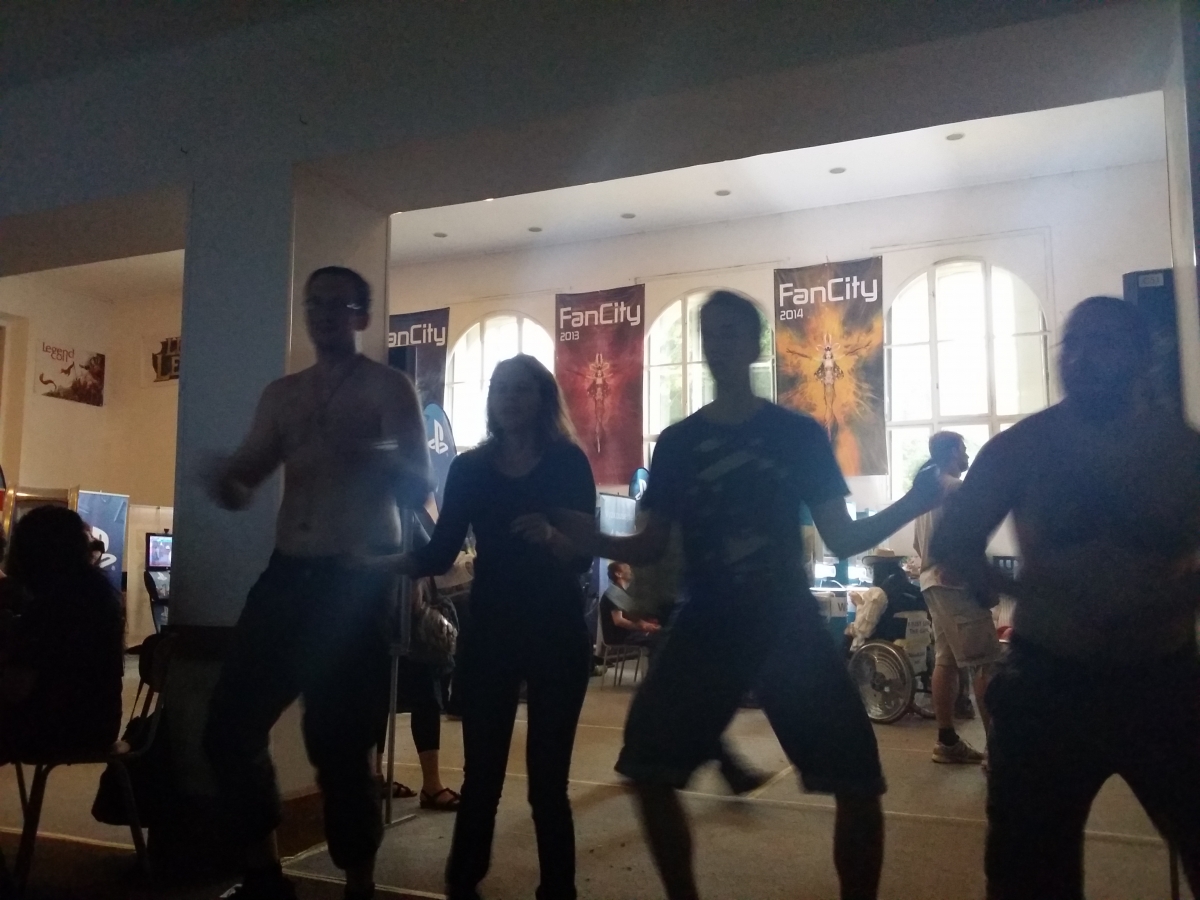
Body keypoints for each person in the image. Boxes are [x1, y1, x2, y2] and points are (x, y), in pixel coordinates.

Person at [523, 290, 942, 900]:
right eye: (710, 333)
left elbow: (842, 535)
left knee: (859, 780)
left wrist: (914, 501)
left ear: (754, 345)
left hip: (785, 622)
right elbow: (650, 545)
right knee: (646, 766)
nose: (718, 344)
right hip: (709, 622)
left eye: (730, 333)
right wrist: (582, 538)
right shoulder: (678, 443)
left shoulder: (797, 435)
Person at [931, 296, 1200, 899]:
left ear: (1143, 356)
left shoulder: (1182, 454)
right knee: (1028, 875)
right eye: (1071, 343)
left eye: (1103, 342)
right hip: (1049, 678)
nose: (1080, 357)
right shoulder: (1025, 447)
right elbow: (954, 538)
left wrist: (1174, 596)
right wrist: (1029, 589)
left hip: (1163, 679)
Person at [202, 266, 432, 900]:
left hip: (353, 583)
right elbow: (247, 477)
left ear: (362, 316)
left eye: (338, 304)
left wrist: (373, 454)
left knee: (340, 745)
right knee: (229, 728)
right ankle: (263, 874)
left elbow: (420, 483)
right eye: (315, 304)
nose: (324, 314)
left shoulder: (388, 388)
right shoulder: (282, 395)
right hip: (288, 573)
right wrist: (225, 481)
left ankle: (358, 883)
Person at [377, 354, 596, 900]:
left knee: (548, 782)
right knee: (482, 777)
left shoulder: (567, 462)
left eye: (520, 389)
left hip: (555, 630)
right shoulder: (471, 468)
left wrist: (552, 536)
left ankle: (558, 890)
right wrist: (379, 564)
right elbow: (440, 551)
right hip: (492, 630)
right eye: (499, 388)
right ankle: (463, 881)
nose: (508, 399)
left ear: (542, 398)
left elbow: (582, 556)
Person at [0, 506, 124, 764]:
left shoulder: (48, 608)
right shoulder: (98, 596)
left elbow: (15, 688)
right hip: (99, 725)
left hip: (55, 730)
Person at [913, 430, 1001, 765]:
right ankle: (997, 753)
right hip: (955, 585)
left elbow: (920, 546)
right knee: (985, 663)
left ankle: (947, 741)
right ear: (951, 452)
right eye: (963, 449)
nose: (966, 455)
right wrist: (979, 582)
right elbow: (966, 541)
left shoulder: (926, 493)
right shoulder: (955, 489)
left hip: (931, 583)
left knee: (946, 660)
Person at [600, 561, 661, 646]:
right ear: (618, 574)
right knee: (660, 640)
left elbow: (632, 616)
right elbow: (618, 621)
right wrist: (644, 627)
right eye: (626, 568)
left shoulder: (619, 593)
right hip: (620, 638)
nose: (630, 570)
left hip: (627, 636)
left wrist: (647, 623)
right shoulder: (614, 593)